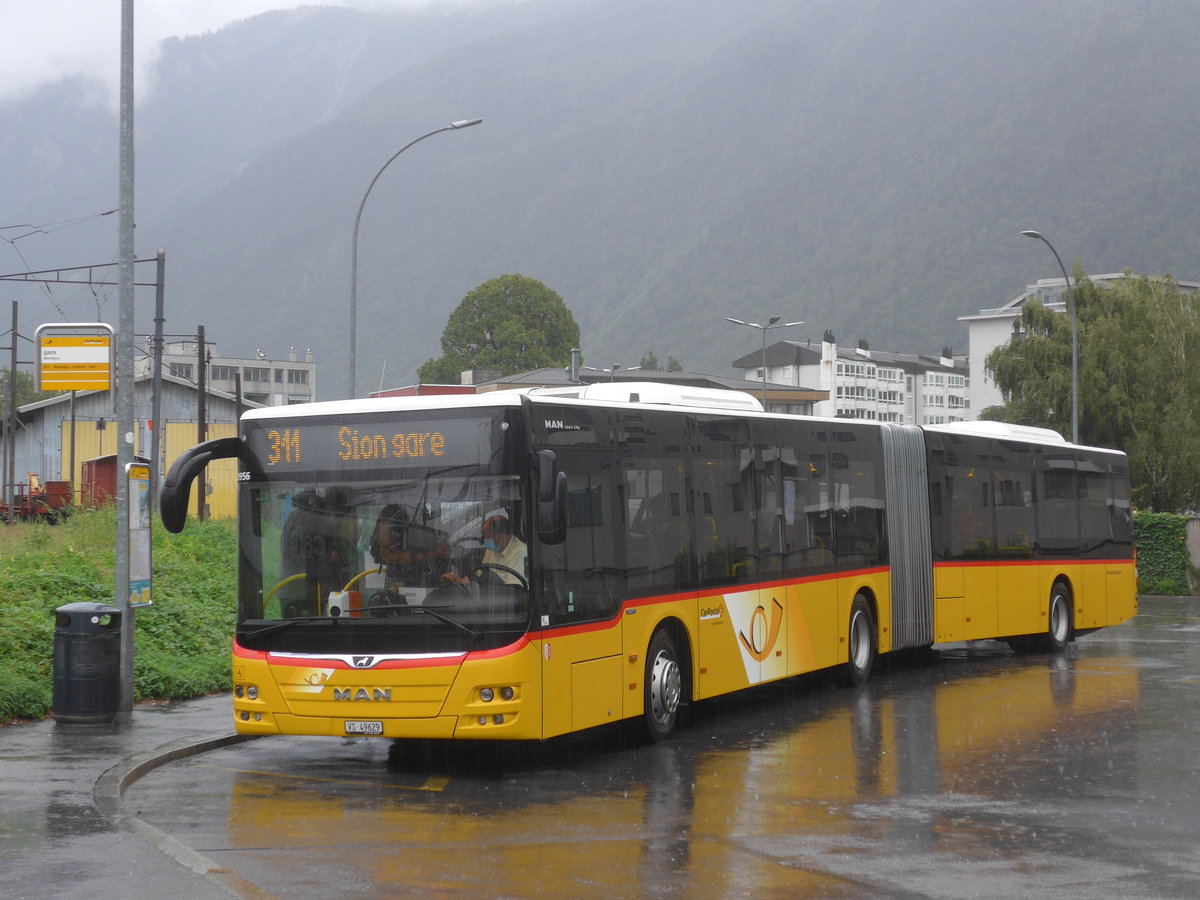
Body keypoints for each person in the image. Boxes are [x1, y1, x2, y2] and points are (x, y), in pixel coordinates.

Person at [444, 513, 527, 586]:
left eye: (487, 537)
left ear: (499, 535)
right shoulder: (494, 547)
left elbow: (513, 591)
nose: (485, 541)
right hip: (489, 594)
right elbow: (480, 575)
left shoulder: (519, 553)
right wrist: (457, 580)